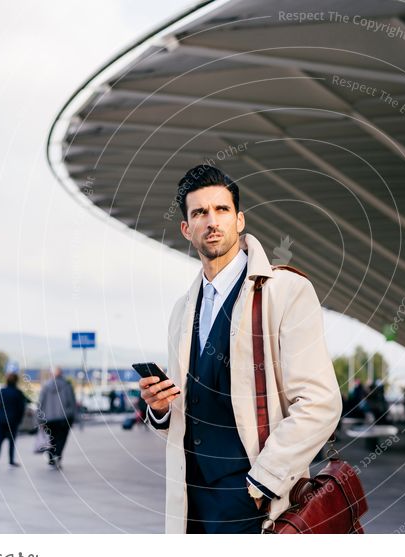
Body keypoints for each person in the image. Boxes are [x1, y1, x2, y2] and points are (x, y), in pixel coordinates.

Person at [141, 165, 342, 534]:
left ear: (239, 220)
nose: (211, 221)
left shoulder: (285, 291)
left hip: (256, 498)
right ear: (186, 229)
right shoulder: (181, 311)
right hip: (192, 501)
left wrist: (263, 481)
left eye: (221, 210)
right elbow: (186, 413)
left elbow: (320, 402)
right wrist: (160, 409)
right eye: (199, 213)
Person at [37, 367, 77, 470]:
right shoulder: (67, 386)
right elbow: (72, 403)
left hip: (48, 419)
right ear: (61, 374)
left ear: (52, 374)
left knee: (51, 439)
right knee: (61, 439)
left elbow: (40, 403)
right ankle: (57, 457)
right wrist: (73, 418)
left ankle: (51, 460)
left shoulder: (45, 386)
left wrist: (39, 419)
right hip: (64, 418)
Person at [0, 372, 27, 470]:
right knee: (12, 441)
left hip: (1, 419)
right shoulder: (18, 393)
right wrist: (19, 420)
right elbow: (22, 408)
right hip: (12, 420)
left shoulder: (1, 392)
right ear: (16, 381)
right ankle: (11, 461)